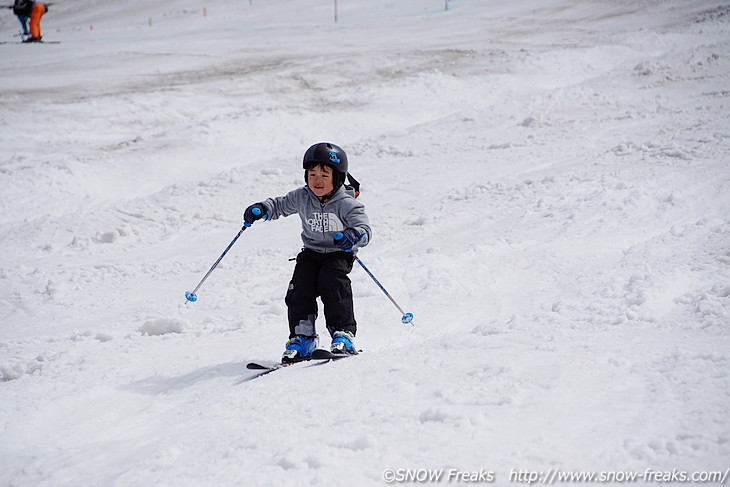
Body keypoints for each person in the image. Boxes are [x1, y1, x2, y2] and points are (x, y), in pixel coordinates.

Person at [243, 142, 371, 363]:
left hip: (338, 253)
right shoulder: (303, 196)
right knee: (299, 289)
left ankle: (343, 334)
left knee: (333, 284)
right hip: (311, 252)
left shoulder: (347, 203)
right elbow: (280, 205)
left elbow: (365, 229)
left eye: (324, 174)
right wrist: (263, 209)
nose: (317, 180)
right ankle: (303, 338)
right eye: (312, 174)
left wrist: (353, 235)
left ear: (338, 177)